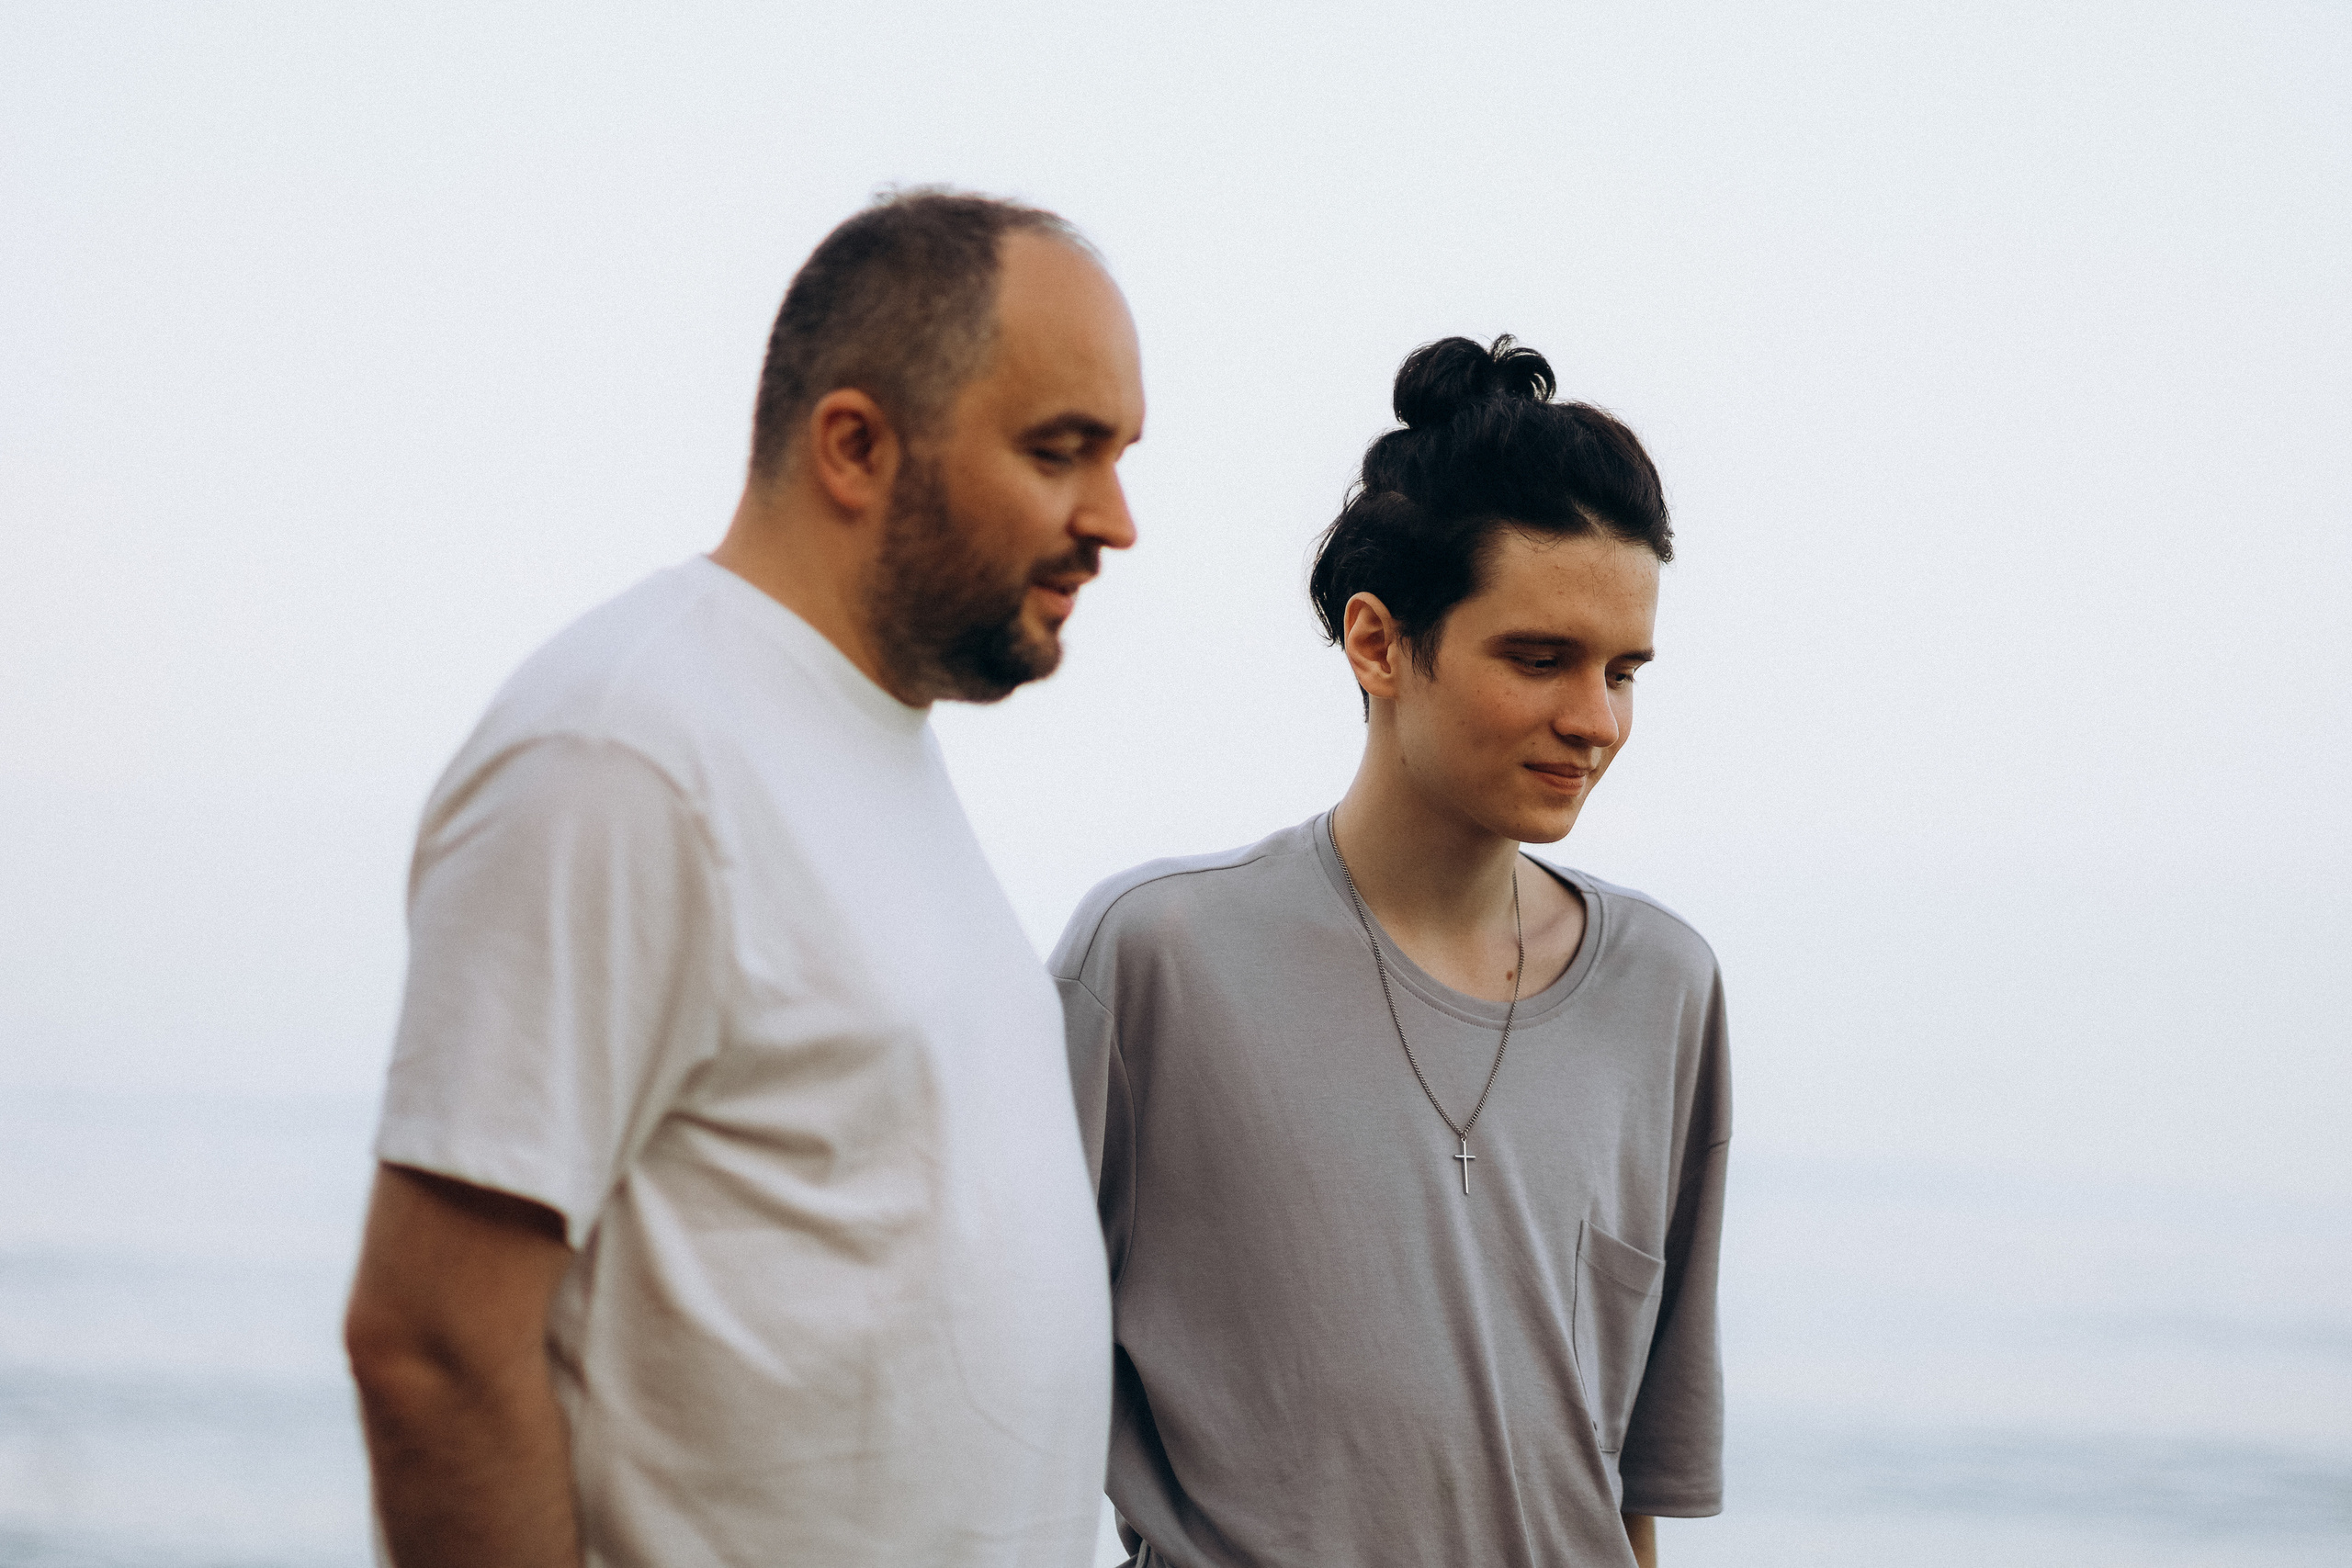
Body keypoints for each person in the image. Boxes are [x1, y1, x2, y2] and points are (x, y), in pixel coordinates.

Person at [344, 188, 1146, 1568]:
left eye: (1119, 457)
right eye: (1061, 451)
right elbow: (430, 1348)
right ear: (855, 446)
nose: (1116, 520)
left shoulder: (864, 739)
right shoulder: (628, 751)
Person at [1053, 335, 1728, 1568]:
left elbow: (1632, 1483)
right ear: (1377, 644)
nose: (1596, 721)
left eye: (1624, 671)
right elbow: (1000, 1385)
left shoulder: (1665, 989)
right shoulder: (1157, 961)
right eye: (1539, 660)